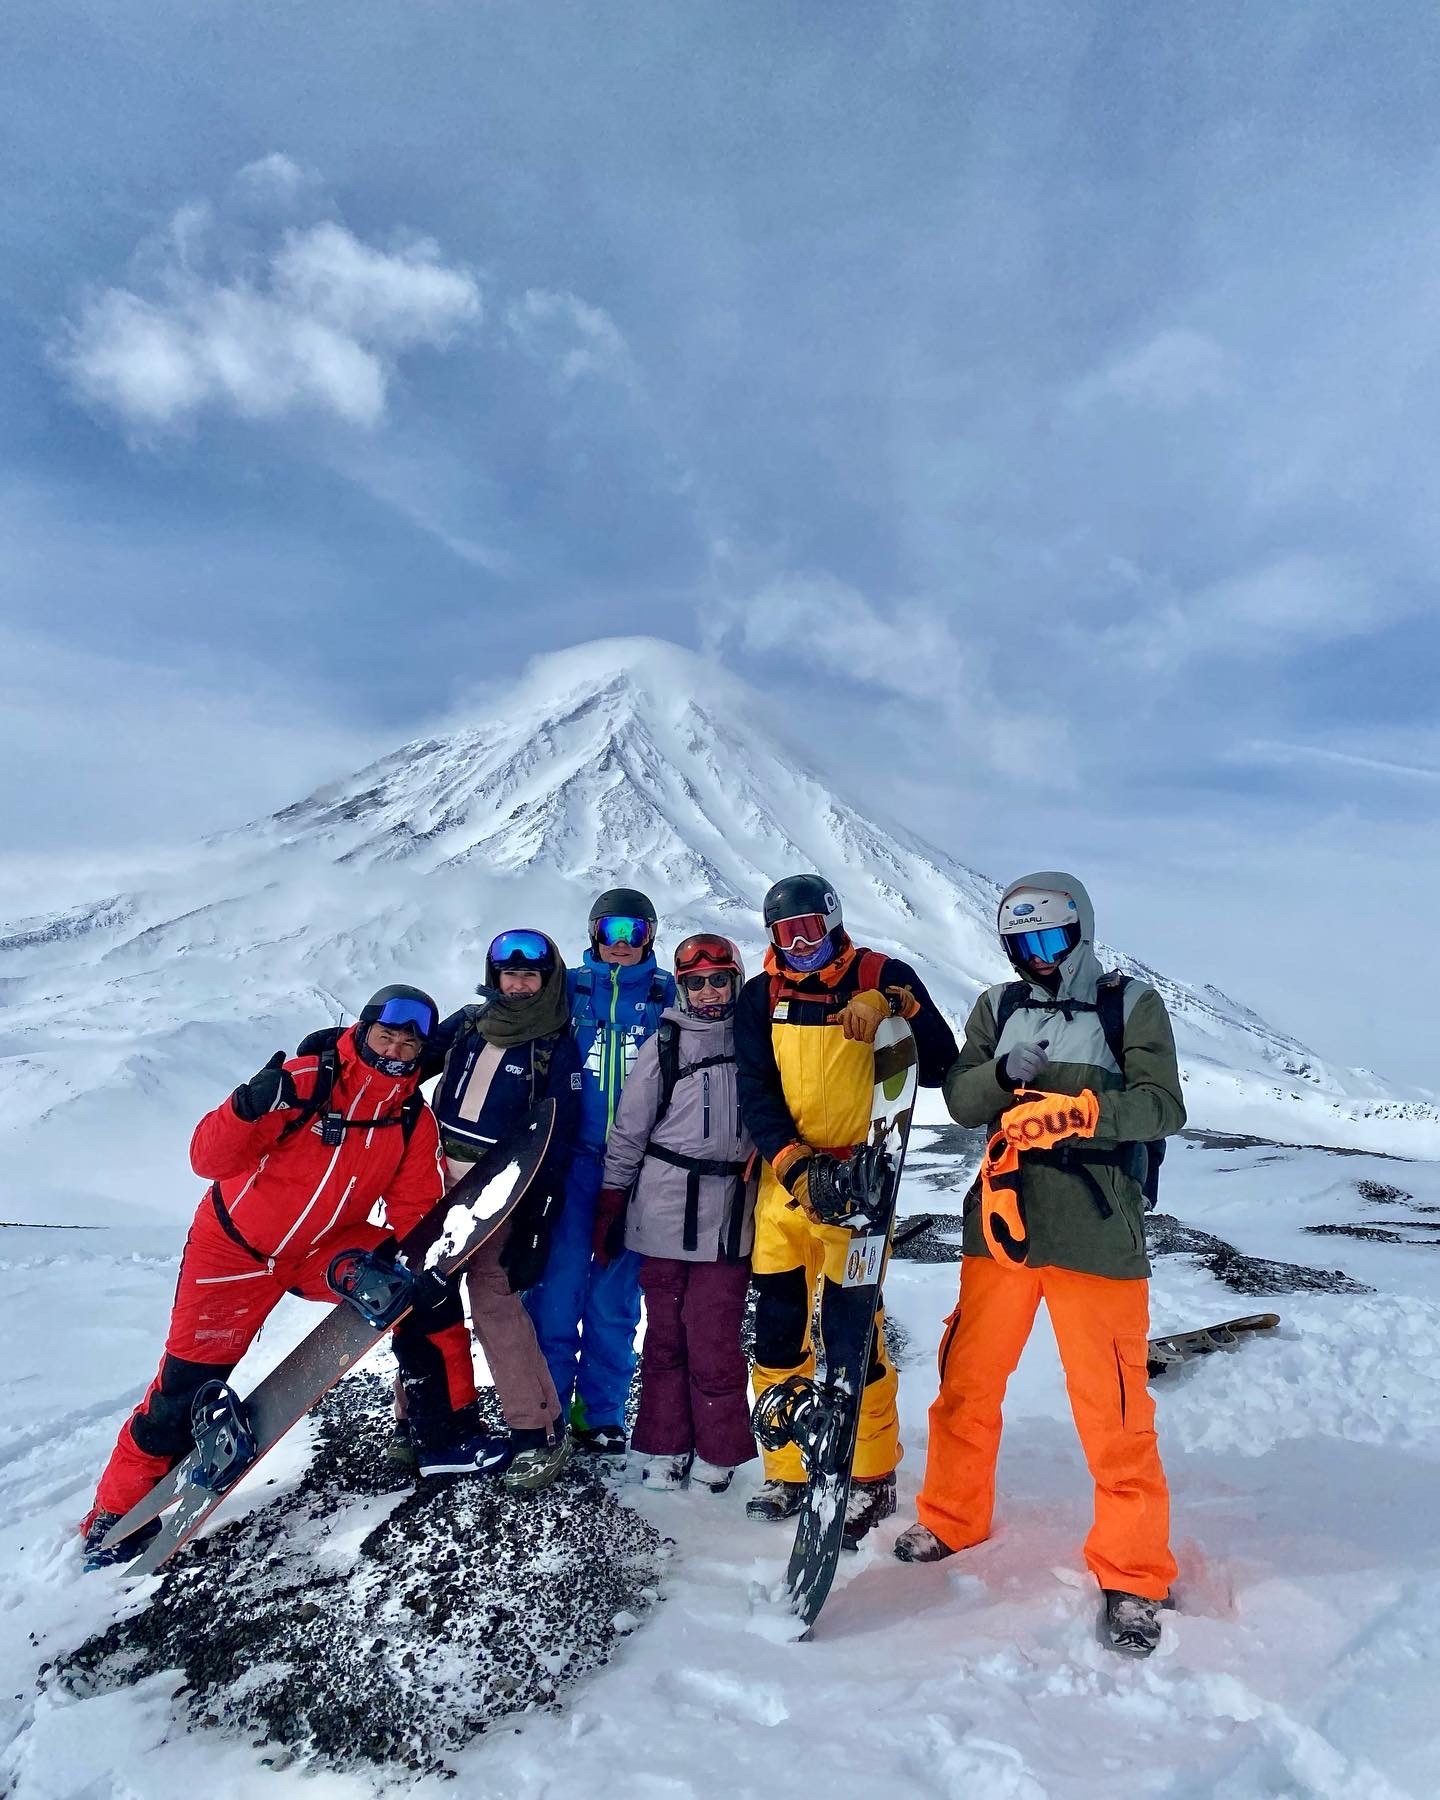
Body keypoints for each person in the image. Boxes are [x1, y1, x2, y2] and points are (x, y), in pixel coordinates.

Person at [893, 872, 1185, 1658]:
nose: (1037, 957)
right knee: (968, 1382)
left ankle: (1134, 1571)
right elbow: (960, 1098)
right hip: (1002, 1227)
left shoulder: (1130, 1005)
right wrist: (999, 1076)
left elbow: (1164, 1105)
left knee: (1116, 1411)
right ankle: (952, 1517)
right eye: (1022, 944)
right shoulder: (997, 1006)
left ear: (1080, 932)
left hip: (1096, 1233)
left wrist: (1088, 1113)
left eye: (1051, 940)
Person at [81, 985, 468, 1568]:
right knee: (180, 1389)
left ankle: (439, 1424)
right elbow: (207, 1161)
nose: (396, 1049)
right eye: (386, 1034)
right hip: (232, 1254)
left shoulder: (410, 1117)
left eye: (409, 1041)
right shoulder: (305, 1081)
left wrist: (430, 1265)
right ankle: (114, 1513)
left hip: (322, 1249)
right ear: (363, 1031)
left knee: (411, 1285)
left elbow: (416, 1208)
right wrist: (245, 1107)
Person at [735, 874, 959, 1546]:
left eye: (810, 927)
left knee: (854, 1337)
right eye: (785, 932)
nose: (800, 943)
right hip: (785, 1188)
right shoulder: (759, 996)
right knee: (778, 1331)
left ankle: (869, 1473)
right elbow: (756, 1090)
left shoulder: (881, 971)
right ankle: (787, 1469)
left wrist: (893, 1002)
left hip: (860, 1185)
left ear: (833, 921)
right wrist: (792, 1164)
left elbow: (943, 1065)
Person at [416, 929, 581, 1490]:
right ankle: (425, 1419)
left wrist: (537, 1221)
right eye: (509, 975)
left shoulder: (554, 1043)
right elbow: (408, 1059)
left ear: (547, 980)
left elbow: (556, 1135)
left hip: (497, 1192)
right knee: (426, 1308)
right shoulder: (468, 1023)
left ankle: (535, 1431)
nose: (517, 986)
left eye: (529, 977)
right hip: (435, 1187)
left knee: (495, 1308)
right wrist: (348, 1047)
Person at [594, 934, 757, 1494]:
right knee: (664, 1335)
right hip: (662, 1208)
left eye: (719, 980)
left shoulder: (759, 1039)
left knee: (714, 1333)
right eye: (695, 983)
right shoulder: (663, 1044)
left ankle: (720, 1448)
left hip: (731, 1214)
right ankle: (666, 1444)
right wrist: (611, 1200)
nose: (709, 993)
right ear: (681, 988)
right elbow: (629, 1128)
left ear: (736, 981)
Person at [523, 888, 677, 1454]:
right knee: (557, 1290)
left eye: (634, 934)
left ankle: (602, 1412)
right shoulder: (568, 991)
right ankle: (548, 1409)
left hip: (636, 1171)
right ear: (593, 934)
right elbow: (503, 1017)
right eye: (611, 931)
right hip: (571, 1164)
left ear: (650, 938)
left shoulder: (668, 996)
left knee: (615, 1299)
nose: (621, 946)